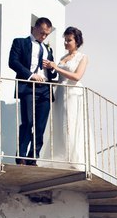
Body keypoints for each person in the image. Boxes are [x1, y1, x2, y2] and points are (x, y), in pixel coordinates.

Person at [8, 18, 57, 164]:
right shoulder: (20, 42)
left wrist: (52, 67)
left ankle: (33, 156)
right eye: (42, 33)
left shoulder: (48, 49)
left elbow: (53, 74)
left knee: (41, 125)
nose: (43, 37)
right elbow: (13, 62)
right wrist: (31, 76)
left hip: (45, 89)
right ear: (34, 28)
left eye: (46, 34)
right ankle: (21, 155)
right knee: (28, 122)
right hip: (29, 86)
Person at [43, 26, 88, 169]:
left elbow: (76, 77)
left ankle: (75, 159)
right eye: (65, 40)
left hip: (73, 94)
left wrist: (56, 68)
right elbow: (61, 78)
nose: (66, 43)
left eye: (69, 40)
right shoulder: (63, 58)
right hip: (61, 93)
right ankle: (63, 156)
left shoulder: (82, 57)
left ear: (77, 41)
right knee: (60, 123)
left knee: (71, 123)